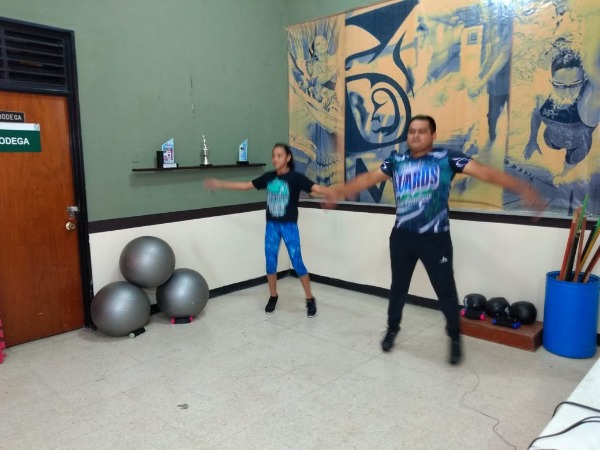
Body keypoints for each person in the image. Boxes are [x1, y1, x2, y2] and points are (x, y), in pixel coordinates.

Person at [329, 115, 543, 365]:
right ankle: (392, 328)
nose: (415, 135)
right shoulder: (396, 161)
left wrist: (522, 188)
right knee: (398, 287)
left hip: (436, 238)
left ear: (432, 135)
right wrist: (339, 192)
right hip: (402, 237)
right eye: (412, 131)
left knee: (446, 291)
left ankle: (454, 337)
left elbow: (484, 172)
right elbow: (367, 179)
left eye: (422, 131)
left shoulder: (447, 158)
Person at [204, 143, 331, 318]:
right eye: (273, 156)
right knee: (270, 263)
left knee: (297, 262)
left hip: (289, 226)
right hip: (272, 226)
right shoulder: (269, 177)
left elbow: (316, 188)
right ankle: (273, 296)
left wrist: (333, 192)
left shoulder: (296, 178)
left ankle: (310, 299)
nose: (275, 159)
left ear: (288, 158)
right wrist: (221, 184)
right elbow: (246, 186)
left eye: (279, 155)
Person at [524, 45, 600, 168]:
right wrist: (532, 139)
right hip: (551, 141)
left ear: (584, 80)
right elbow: (536, 113)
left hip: (577, 148)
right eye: (559, 85)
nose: (567, 92)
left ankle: (563, 174)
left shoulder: (589, 105)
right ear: (551, 82)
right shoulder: (543, 96)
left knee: (567, 169)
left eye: (575, 84)